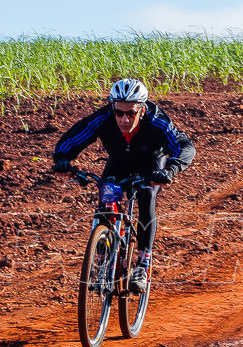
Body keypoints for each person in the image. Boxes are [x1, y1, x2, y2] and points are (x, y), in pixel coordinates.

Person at [52, 78, 195, 293]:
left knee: (146, 197)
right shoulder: (104, 118)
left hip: (151, 163)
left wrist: (170, 170)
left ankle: (142, 264)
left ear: (143, 110)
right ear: (113, 108)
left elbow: (185, 146)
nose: (124, 119)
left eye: (131, 113)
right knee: (106, 197)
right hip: (119, 163)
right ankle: (101, 260)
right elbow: (73, 138)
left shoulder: (157, 121)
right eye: (119, 113)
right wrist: (62, 159)